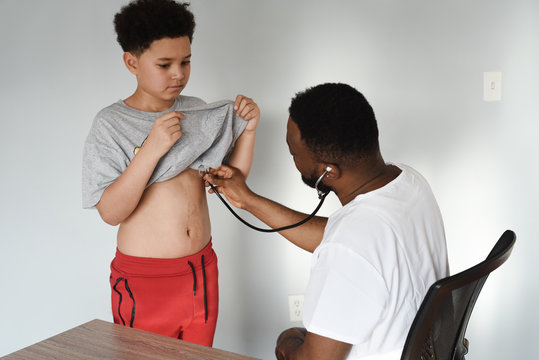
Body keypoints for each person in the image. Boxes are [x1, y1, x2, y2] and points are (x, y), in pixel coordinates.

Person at [203, 83, 449, 360]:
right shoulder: (409, 182)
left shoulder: (351, 246)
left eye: (294, 152)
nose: (293, 158)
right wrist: (249, 200)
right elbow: (344, 240)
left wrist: (287, 342)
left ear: (327, 172)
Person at [81, 0, 259, 347]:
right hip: (146, 281)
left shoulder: (197, 110)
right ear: (132, 62)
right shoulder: (110, 124)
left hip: (201, 269)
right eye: (165, 64)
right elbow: (110, 212)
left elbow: (230, 182)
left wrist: (249, 130)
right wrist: (151, 148)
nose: (178, 73)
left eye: (186, 61)